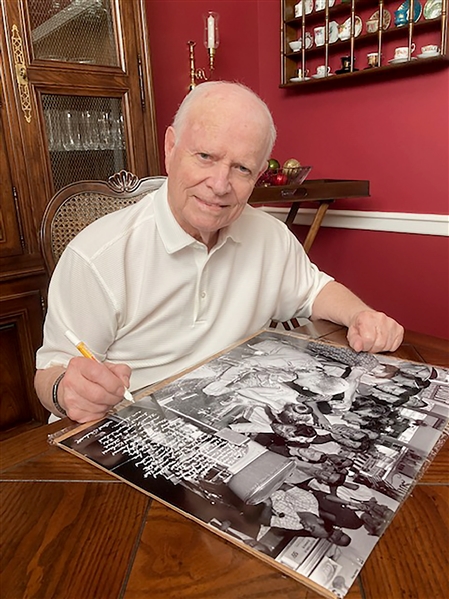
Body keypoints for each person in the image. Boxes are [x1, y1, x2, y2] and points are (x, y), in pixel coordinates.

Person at [34, 81, 404, 423]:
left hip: (233, 421)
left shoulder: (269, 236)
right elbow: (50, 374)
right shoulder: (97, 255)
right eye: (206, 156)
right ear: (170, 148)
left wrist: (361, 315)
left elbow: (315, 290)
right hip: (125, 427)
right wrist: (64, 390)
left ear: (258, 174)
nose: (219, 185)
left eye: (242, 168)